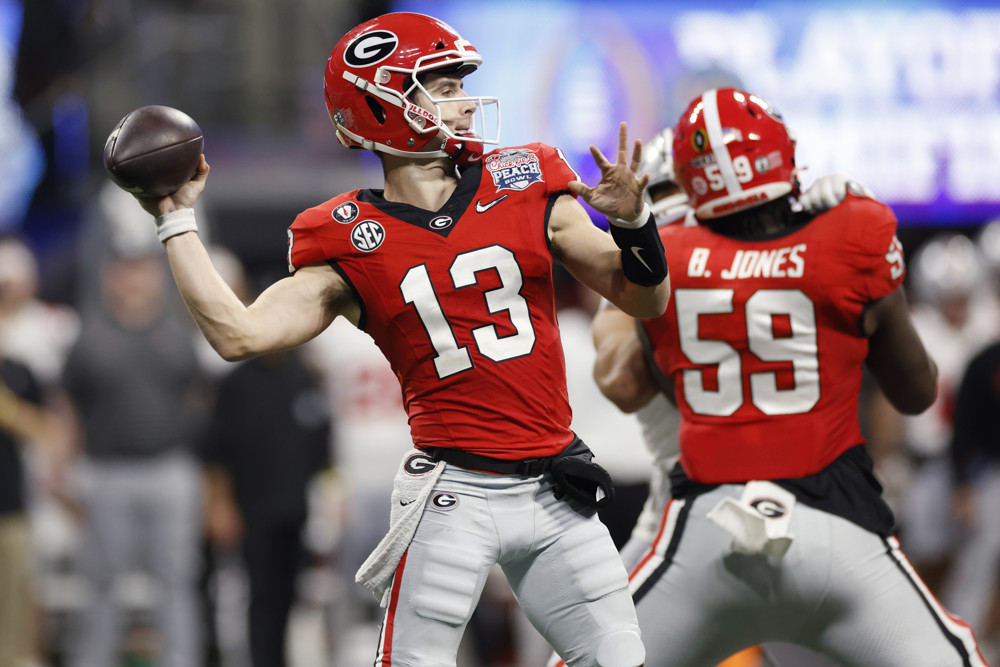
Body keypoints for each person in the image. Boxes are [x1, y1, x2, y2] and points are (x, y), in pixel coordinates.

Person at [121, 11, 669, 667]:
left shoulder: (528, 178)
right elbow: (240, 335)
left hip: (556, 485)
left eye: (457, 83)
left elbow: (645, 296)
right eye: (438, 86)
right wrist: (176, 221)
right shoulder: (344, 235)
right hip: (454, 492)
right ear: (379, 107)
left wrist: (636, 223)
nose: (462, 101)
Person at [567, 87, 984, 667]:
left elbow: (668, 384)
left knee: (588, 655)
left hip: (704, 525)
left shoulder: (669, 259)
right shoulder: (850, 232)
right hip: (837, 524)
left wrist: (642, 239)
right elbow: (915, 391)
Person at [62, 221, 207, 667]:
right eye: (124, 269)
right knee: (101, 582)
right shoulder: (89, 338)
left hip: (170, 469)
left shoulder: (179, 334)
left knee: (177, 581)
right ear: (109, 276)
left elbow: (201, 398)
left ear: (156, 274)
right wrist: (62, 470)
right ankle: (94, 659)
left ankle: (181, 660)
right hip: (107, 472)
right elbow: (66, 406)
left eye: (141, 268)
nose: (133, 278)